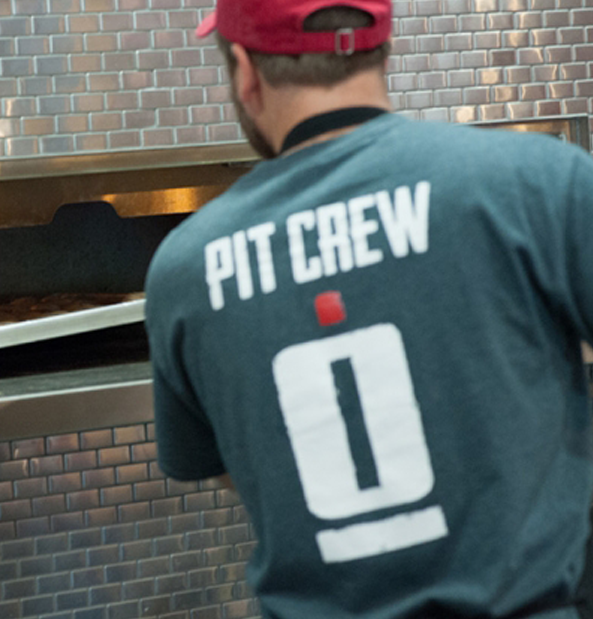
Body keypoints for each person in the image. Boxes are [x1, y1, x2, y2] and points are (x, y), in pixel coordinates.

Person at [143, 0, 593, 617]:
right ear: (385, 48)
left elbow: (233, 467)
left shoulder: (183, 269)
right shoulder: (537, 182)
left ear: (245, 71)